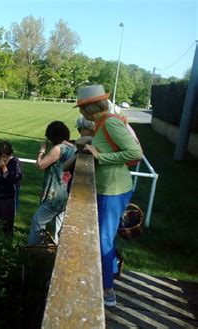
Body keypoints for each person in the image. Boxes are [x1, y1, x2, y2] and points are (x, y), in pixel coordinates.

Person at [75, 85, 142, 307]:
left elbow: (135, 153)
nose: (81, 113)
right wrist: (89, 142)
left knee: (103, 239)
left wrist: (99, 156)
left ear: (88, 108)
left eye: (81, 108)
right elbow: (107, 145)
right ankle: (110, 272)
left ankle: (107, 291)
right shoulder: (103, 123)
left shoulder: (110, 122)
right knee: (105, 236)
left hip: (112, 190)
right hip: (112, 188)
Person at [27, 121, 76, 246]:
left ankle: (32, 251)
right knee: (59, 228)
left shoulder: (57, 149)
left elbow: (40, 165)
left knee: (37, 221)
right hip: (66, 193)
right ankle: (56, 253)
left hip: (55, 195)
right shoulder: (73, 147)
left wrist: (42, 149)